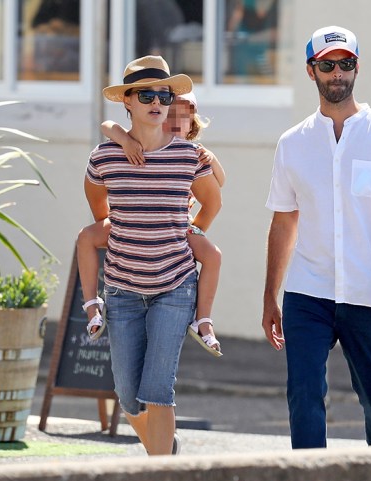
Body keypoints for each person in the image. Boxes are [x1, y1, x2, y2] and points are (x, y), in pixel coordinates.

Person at [262, 26, 371, 449]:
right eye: (327, 65)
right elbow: (283, 223)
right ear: (311, 71)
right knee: (304, 397)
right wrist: (270, 296)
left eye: (346, 64)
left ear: (357, 68)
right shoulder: (292, 143)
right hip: (307, 292)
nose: (337, 73)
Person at [81, 55, 221, 455]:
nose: (157, 102)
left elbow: (211, 203)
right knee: (128, 396)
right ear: (128, 101)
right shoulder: (104, 157)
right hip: (122, 290)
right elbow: (99, 212)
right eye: (147, 94)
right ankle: (164, 451)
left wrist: (190, 234)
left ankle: (160, 467)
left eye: (163, 94)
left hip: (175, 287)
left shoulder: (189, 156)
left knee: (159, 388)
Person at [79, 91, 225, 356]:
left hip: (176, 226)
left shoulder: (193, 154)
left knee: (213, 256)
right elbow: (106, 126)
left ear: (192, 126)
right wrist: (124, 140)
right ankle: (92, 305)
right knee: (86, 237)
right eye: (173, 115)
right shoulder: (138, 141)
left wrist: (195, 230)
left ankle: (203, 319)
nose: (175, 124)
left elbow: (217, 190)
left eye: (185, 119)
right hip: (130, 221)